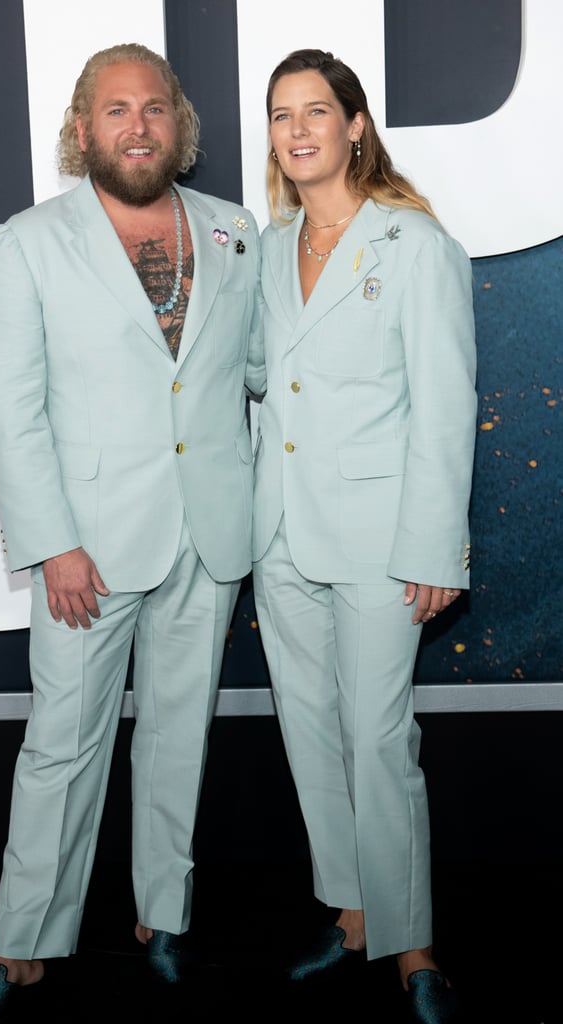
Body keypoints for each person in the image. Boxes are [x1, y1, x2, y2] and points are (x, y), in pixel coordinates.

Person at [0, 42, 263, 1021]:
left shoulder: (235, 232)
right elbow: (15, 408)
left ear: (179, 124)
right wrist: (51, 542)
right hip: (87, 544)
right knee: (62, 743)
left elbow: (255, 375)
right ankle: (24, 942)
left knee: (179, 736)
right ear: (82, 130)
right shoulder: (28, 242)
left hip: (207, 534)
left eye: (155, 108)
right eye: (115, 109)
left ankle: (159, 916)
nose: (138, 125)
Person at [251, 49, 476, 1023]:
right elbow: (259, 379)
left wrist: (434, 548)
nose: (295, 130)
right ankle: (351, 914)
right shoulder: (264, 248)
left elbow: (442, 404)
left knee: (377, 738)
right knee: (309, 736)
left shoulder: (412, 245)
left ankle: (411, 942)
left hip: (383, 538)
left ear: (353, 124)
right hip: (279, 534)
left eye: (314, 111)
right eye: (278, 115)